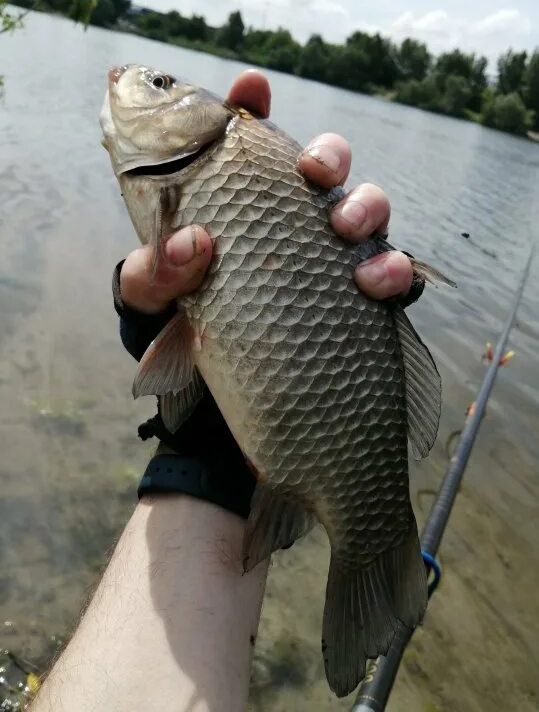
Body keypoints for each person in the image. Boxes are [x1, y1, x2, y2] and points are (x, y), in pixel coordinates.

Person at [31, 70, 424, 712]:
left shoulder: (230, 148)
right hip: (232, 395)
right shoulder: (211, 155)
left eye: (159, 84)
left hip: (283, 428)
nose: (125, 80)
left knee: (356, 253)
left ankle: (370, 532)